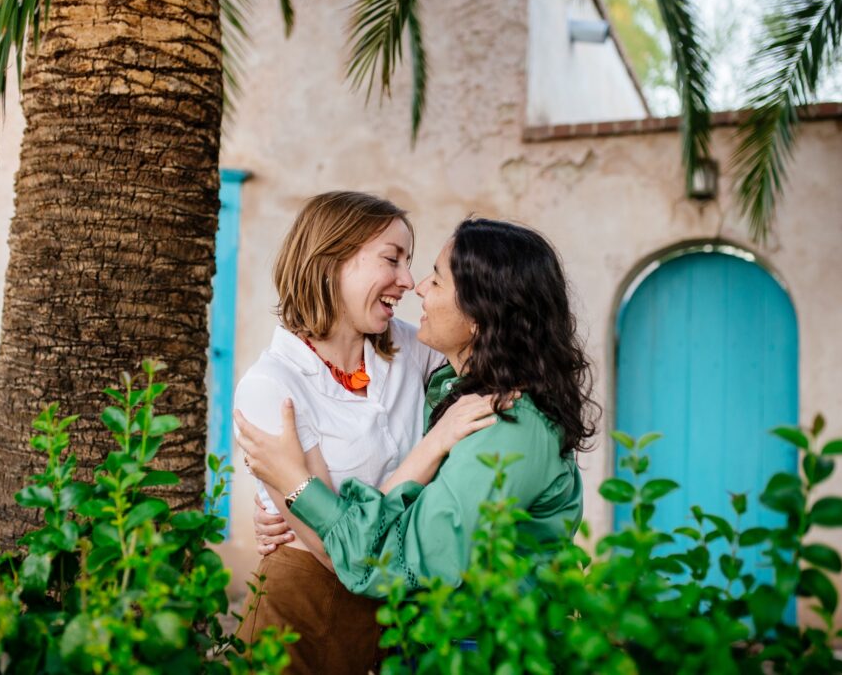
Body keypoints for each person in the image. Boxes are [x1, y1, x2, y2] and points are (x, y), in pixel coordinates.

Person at [237, 217, 595, 599]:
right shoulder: (454, 384)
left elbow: (391, 564)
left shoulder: (503, 423)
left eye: (437, 280)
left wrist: (296, 489)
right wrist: (276, 510)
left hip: (479, 646)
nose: (417, 286)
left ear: (479, 315)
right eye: (394, 260)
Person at [232, 192, 502, 673]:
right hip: (309, 605)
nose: (408, 281)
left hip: (400, 608)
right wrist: (432, 447)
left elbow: (490, 348)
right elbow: (335, 552)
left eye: (411, 263)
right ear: (331, 261)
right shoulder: (271, 387)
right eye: (391, 260)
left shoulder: (408, 345)